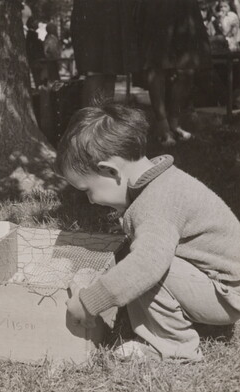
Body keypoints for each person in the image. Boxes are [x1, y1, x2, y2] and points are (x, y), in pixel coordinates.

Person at [56, 103, 240, 362]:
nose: (90, 201)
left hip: (226, 295)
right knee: (141, 263)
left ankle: (175, 347)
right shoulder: (158, 183)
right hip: (221, 283)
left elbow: (146, 266)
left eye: (87, 190)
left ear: (110, 171)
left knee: (143, 269)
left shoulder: (155, 204)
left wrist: (89, 302)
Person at [137, 0, 211, 146]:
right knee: (157, 62)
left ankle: (174, 124)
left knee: (187, 66)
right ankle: (162, 125)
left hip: (186, 7)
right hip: (157, 7)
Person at [70, 0, 141, 106]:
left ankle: (104, 117)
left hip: (112, 23)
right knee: (95, 73)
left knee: (110, 74)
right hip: (94, 23)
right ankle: (91, 119)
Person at [25, 17, 46, 88]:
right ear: (32, 24)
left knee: (38, 77)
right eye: (35, 22)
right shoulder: (32, 35)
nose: (37, 24)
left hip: (35, 59)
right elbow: (33, 48)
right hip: (36, 60)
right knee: (38, 78)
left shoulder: (31, 34)